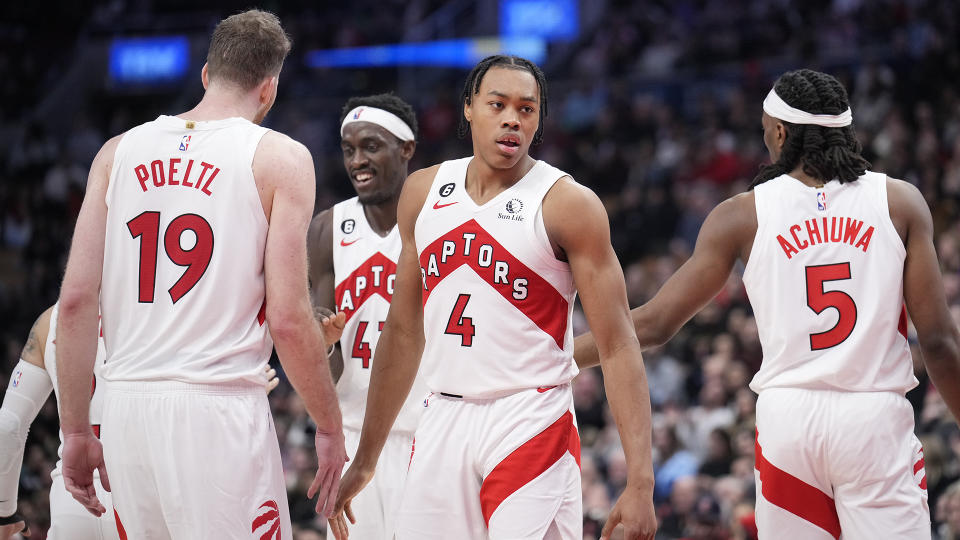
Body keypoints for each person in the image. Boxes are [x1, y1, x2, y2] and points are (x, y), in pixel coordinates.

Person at [575, 68, 960, 539]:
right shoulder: (899, 202)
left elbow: (653, 324)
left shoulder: (742, 214)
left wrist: (559, 354)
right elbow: (938, 342)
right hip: (872, 416)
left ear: (779, 132)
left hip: (788, 421)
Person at [333, 55, 658, 540]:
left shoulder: (568, 204)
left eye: (527, 109)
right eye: (498, 104)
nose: (513, 118)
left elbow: (617, 345)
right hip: (441, 414)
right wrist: (367, 457)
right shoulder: (423, 193)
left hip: (529, 417)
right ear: (469, 108)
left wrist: (641, 481)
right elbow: (402, 334)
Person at [55, 10, 347, 539]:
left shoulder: (116, 152)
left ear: (207, 75)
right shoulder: (280, 158)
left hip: (125, 410)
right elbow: (286, 317)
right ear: (269, 90)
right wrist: (328, 424)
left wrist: (76, 430)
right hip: (217, 411)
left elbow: (75, 301)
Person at [0, 304, 281, 539]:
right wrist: (240, 395)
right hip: (145, 497)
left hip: (72, 501)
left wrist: (5, 513)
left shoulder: (51, 319)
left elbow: (9, 425)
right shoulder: (168, 314)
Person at [307, 93, 429, 539]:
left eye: (371, 146)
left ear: (406, 149)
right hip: (354, 432)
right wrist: (322, 339)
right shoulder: (326, 228)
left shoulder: (439, 220)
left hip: (429, 431)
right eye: (349, 149)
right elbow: (322, 353)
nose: (358, 160)